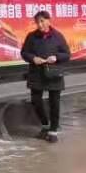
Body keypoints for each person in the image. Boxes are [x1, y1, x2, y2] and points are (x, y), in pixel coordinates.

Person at [21, 11, 71, 142]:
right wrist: (33, 58)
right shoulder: (31, 36)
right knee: (35, 101)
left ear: (49, 21)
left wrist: (56, 57)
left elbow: (67, 54)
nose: (39, 24)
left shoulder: (57, 36)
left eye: (42, 21)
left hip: (53, 73)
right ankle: (45, 125)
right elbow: (24, 53)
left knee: (54, 102)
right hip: (36, 73)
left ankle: (53, 131)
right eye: (37, 22)